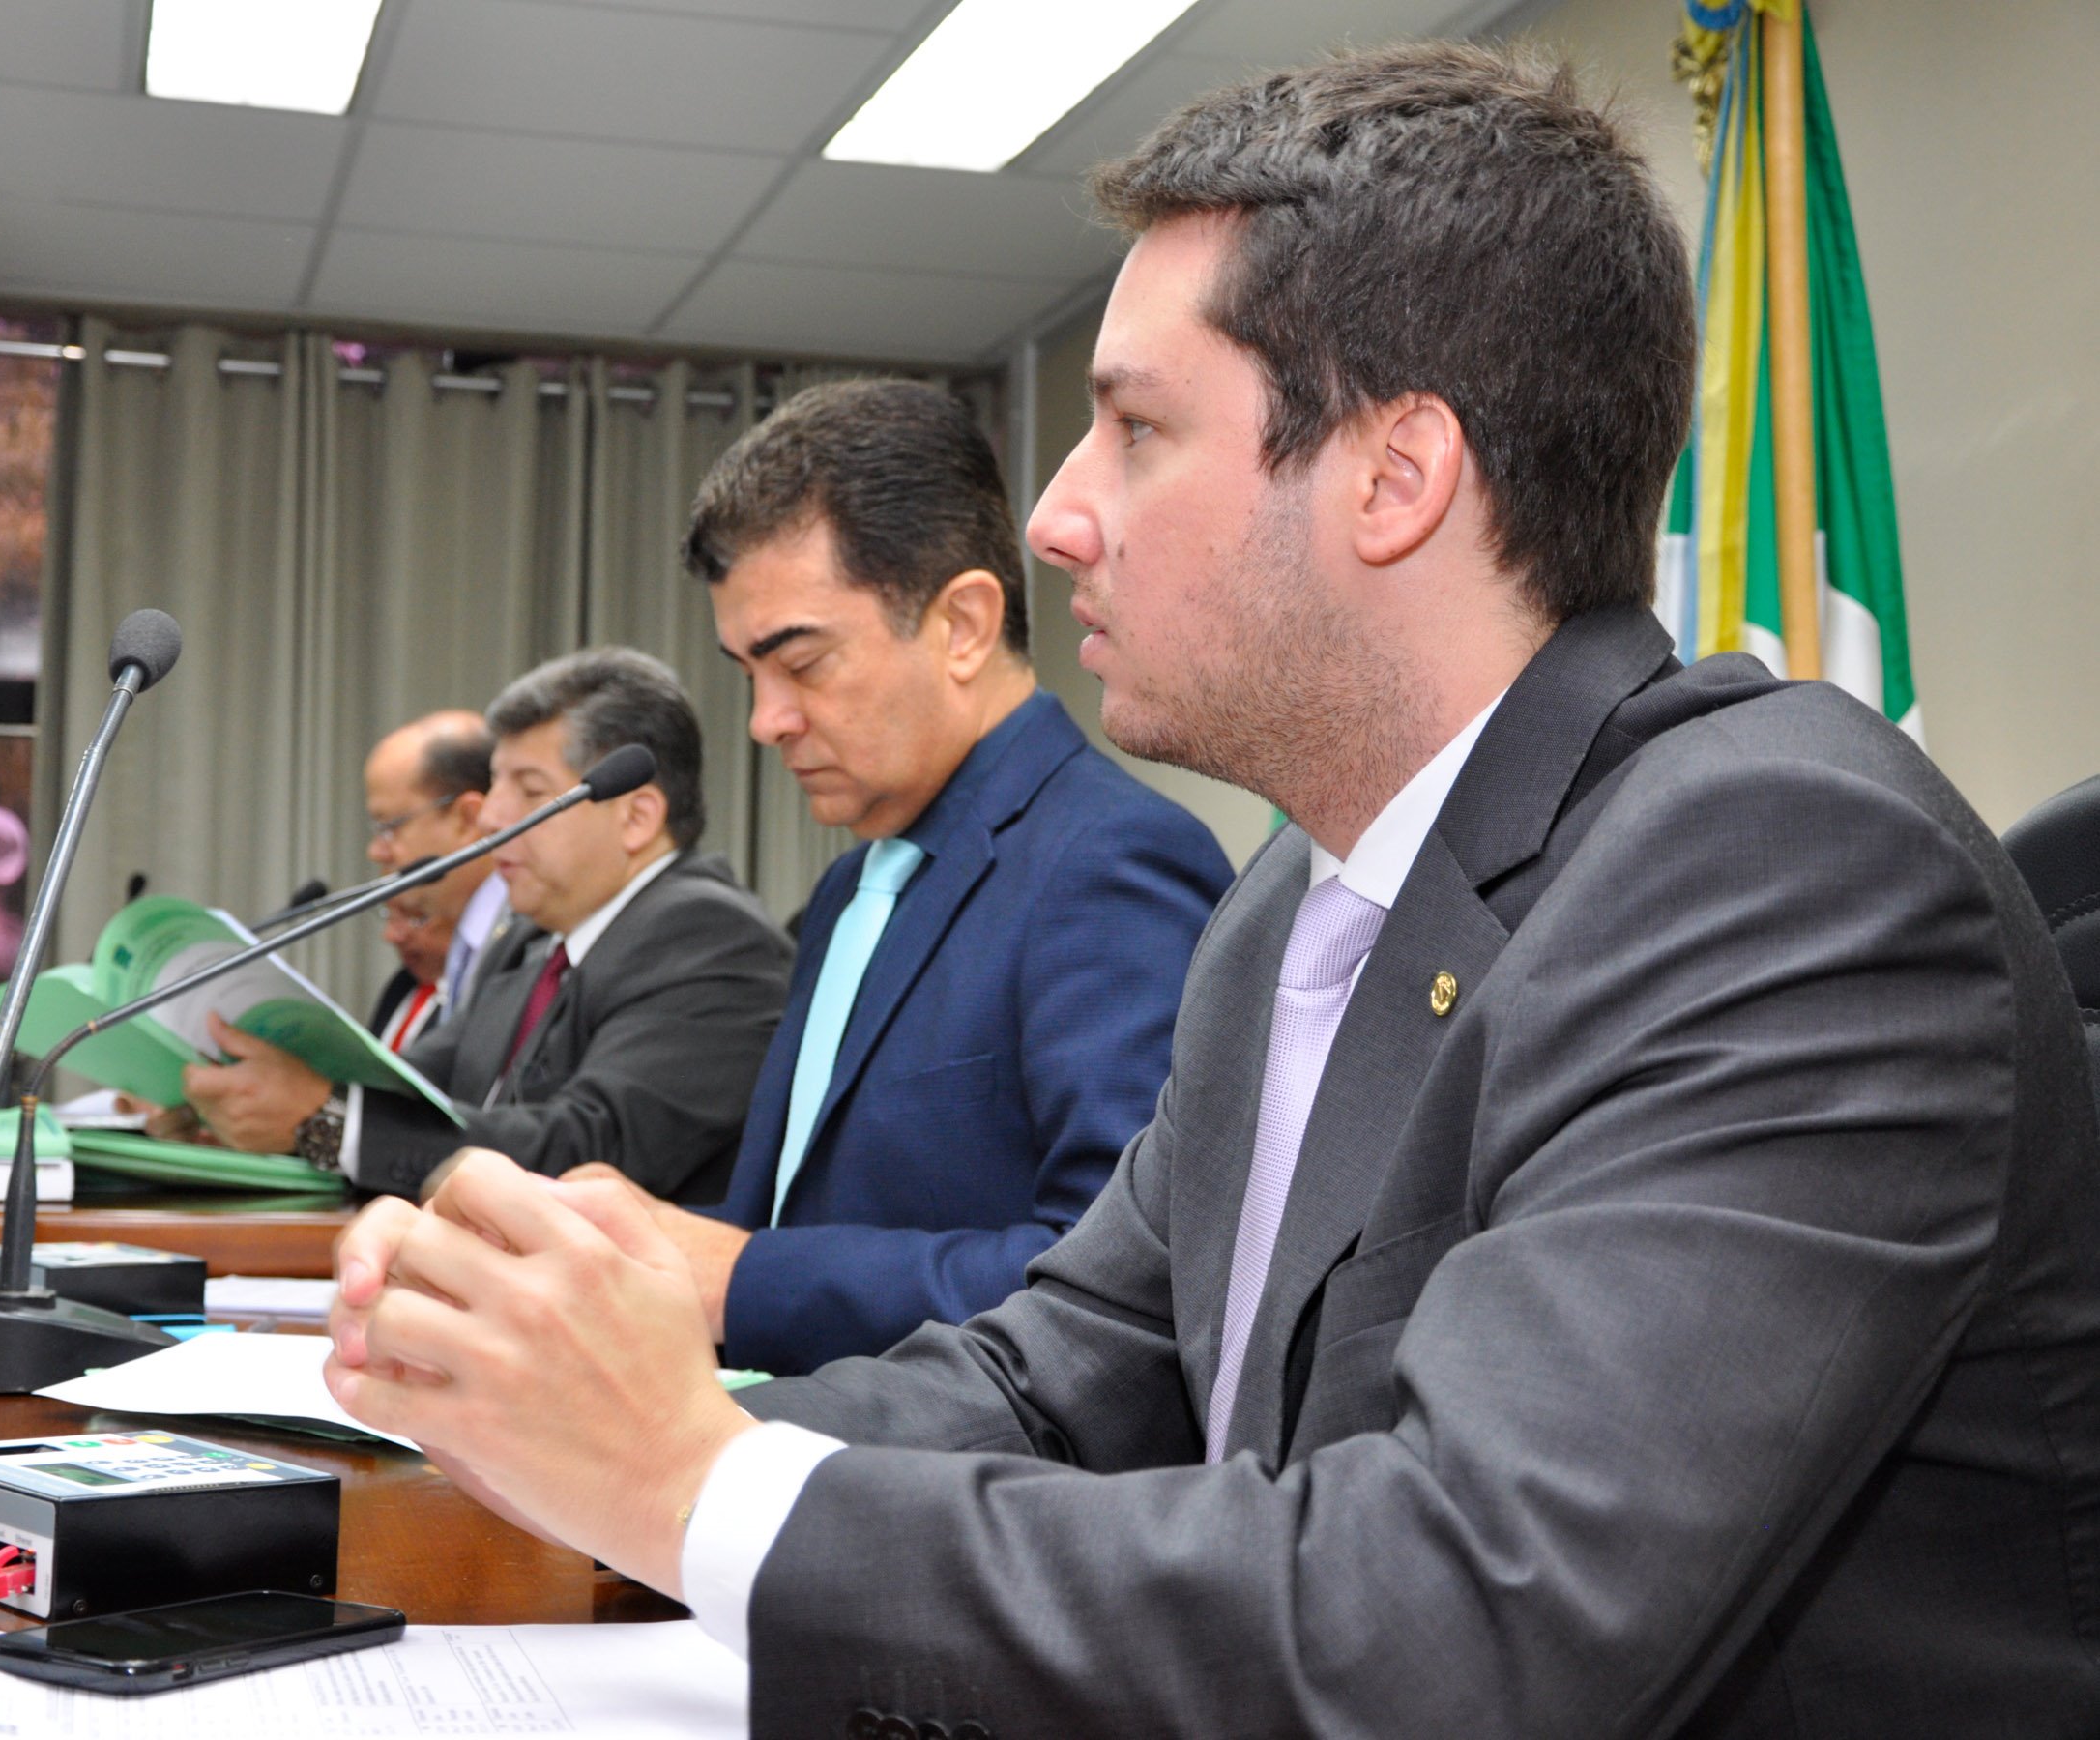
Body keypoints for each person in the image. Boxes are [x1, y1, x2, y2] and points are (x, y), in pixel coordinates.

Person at [320, 42, 2100, 1738]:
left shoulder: (1775, 871)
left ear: (1394, 478)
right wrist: (559, 1415)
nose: (1055, 518)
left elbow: (1472, 1624)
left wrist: (697, 1486)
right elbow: (1062, 1378)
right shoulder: (1289, 905)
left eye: (1134, 430)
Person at [569, 378, 1230, 1377]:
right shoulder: (850, 889)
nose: (765, 722)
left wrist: (738, 1279)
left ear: (963, 625)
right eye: (748, 674)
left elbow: (1124, 1284)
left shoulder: (1109, 861)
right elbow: (794, 1221)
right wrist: (638, 1249)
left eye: (802, 663)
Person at [190, 648, 793, 1204]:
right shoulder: (531, 942)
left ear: (635, 817)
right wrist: (234, 1096)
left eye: (529, 790)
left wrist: (324, 1123)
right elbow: (408, 1088)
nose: (491, 820)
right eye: (495, 784)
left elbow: (588, 1150)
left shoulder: (711, 938)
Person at [353, 710, 508, 1052]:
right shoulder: (463, 944)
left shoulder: (527, 941)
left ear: (469, 819)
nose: (376, 851)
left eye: (391, 827)